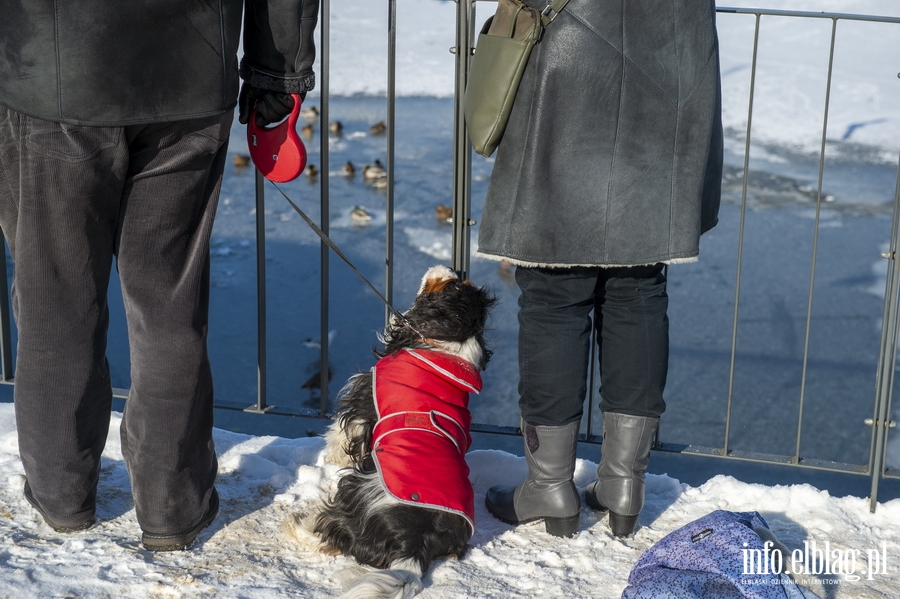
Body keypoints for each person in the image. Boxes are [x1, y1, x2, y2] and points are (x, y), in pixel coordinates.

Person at [0, 0, 318, 550]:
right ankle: (173, 507)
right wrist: (278, 74)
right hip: (189, 77)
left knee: (56, 297)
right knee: (168, 302)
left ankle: (60, 493)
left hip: (47, 75)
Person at [478, 0, 723, 538]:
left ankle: (549, 485)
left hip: (572, 52)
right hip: (674, 56)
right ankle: (622, 483)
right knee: (639, 286)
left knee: (554, 291)